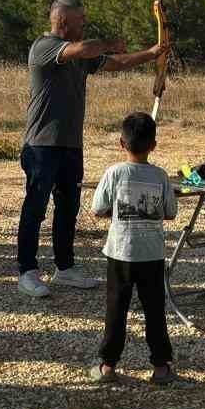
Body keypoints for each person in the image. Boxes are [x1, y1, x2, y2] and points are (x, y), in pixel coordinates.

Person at [17, 0, 169, 298]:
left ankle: (65, 267)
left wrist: (152, 53)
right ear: (63, 21)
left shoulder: (82, 55)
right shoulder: (44, 47)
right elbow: (86, 49)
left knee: (67, 208)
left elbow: (115, 63)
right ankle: (27, 271)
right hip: (42, 146)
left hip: (70, 145)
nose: (84, 23)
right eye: (80, 19)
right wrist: (111, 41)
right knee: (35, 208)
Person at [88, 112, 178, 385]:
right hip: (152, 253)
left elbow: (97, 208)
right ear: (154, 145)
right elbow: (170, 213)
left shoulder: (114, 173)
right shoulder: (161, 176)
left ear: (121, 143)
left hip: (120, 252)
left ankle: (107, 365)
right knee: (154, 309)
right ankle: (161, 366)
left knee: (116, 309)